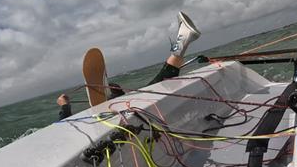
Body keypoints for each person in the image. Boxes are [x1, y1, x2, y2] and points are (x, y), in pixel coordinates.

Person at [57, 11, 201, 120]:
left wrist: (65, 107)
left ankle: (112, 96)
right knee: (156, 85)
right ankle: (113, 94)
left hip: (125, 113)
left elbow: (62, 129)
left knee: (149, 86)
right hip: (135, 107)